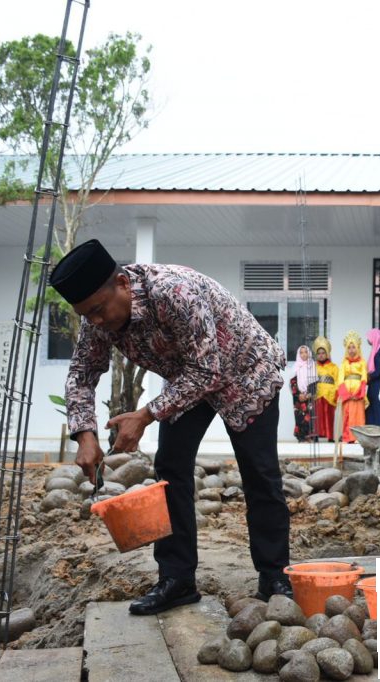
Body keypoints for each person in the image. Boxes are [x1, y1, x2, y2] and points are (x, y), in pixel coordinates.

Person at [51, 239, 293, 616]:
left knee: (259, 472)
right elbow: (81, 374)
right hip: (188, 380)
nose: (96, 321)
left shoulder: (175, 290)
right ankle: (177, 579)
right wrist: (85, 434)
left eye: (99, 310)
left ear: (123, 284)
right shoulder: (96, 318)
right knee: (170, 470)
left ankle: (275, 576)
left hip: (247, 372)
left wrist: (145, 415)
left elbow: (208, 369)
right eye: (87, 315)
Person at [337, 330, 368, 443]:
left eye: (353, 347)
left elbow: (364, 378)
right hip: (347, 395)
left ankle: (358, 437)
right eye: (349, 347)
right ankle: (347, 437)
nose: (351, 350)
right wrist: (345, 394)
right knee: (347, 415)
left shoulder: (362, 362)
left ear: (358, 348)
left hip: (357, 394)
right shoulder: (344, 363)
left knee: (358, 415)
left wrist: (359, 393)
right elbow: (340, 379)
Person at [312, 336, 338, 442]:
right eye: (319, 353)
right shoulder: (313, 367)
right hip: (317, 394)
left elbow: (338, 381)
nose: (321, 355)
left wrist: (335, 392)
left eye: (323, 353)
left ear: (327, 353)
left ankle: (330, 436)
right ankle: (315, 435)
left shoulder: (334, 367)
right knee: (316, 416)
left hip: (329, 394)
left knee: (329, 416)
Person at [290, 345, 317, 442]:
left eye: (305, 352)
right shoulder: (296, 366)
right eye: (301, 352)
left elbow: (314, 382)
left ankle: (309, 437)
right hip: (298, 397)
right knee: (300, 417)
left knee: (310, 416)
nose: (303, 354)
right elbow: (293, 382)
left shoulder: (312, 365)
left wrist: (308, 394)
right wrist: (298, 394)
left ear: (309, 353)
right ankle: (301, 437)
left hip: (309, 397)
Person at [365, 328, 380, 426]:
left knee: (377, 408)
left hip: (377, 384)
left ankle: (379, 431)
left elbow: (378, 371)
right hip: (373, 384)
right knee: (372, 409)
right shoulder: (376, 349)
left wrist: (368, 376)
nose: (368, 340)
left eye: (369, 337)